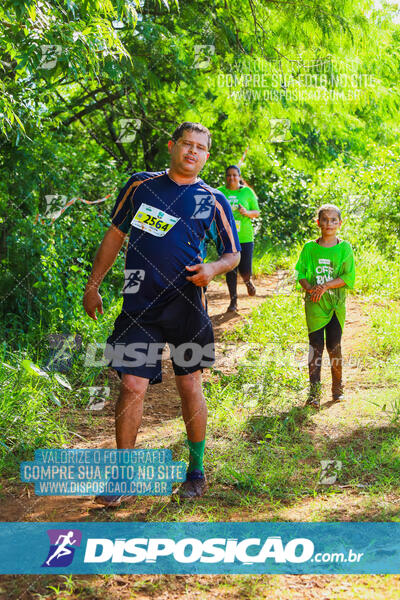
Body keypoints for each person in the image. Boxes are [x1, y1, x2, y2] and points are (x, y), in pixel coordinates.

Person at [83, 122, 240, 506]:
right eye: (186, 144)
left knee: (189, 387)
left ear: (207, 156)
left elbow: (231, 253)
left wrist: (212, 270)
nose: (192, 152)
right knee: (131, 386)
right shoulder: (141, 187)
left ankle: (196, 470)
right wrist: (93, 284)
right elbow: (115, 236)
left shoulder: (213, 199)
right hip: (140, 307)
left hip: (187, 306)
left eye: (200, 148)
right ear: (172, 146)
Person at [295, 204, 355, 409]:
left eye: (333, 220)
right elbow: (301, 273)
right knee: (316, 348)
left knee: (334, 346)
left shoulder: (344, 247)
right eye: (325, 219)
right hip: (314, 305)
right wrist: (311, 289)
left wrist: (326, 286)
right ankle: (314, 394)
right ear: (318, 222)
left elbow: (348, 277)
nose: (329, 223)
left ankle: (337, 389)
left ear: (340, 223)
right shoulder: (309, 248)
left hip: (336, 305)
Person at [218, 165, 260, 312]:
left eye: (235, 175)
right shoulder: (220, 192)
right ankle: (233, 302)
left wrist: (246, 212)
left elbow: (256, 212)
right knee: (230, 269)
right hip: (226, 236)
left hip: (245, 236)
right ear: (225, 177)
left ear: (239, 176)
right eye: (229, 175)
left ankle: (248, 281)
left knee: (245, 268)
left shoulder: (247, 192)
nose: (232, 178)